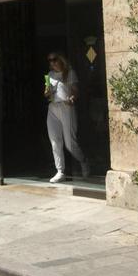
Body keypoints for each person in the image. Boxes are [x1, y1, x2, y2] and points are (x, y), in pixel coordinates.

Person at [44, 52, 88, 183]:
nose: (52, 62)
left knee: (70, 143)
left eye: (54, 59)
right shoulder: (50, 75)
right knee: (54, 141)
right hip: (53, 108)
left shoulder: (70, 73)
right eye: (50, 60)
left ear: (61, 59)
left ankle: (83, 161)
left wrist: (72, 98)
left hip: (66, 107)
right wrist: (47, 92)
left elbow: (75, 90)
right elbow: (47, 92)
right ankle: (60, 171)